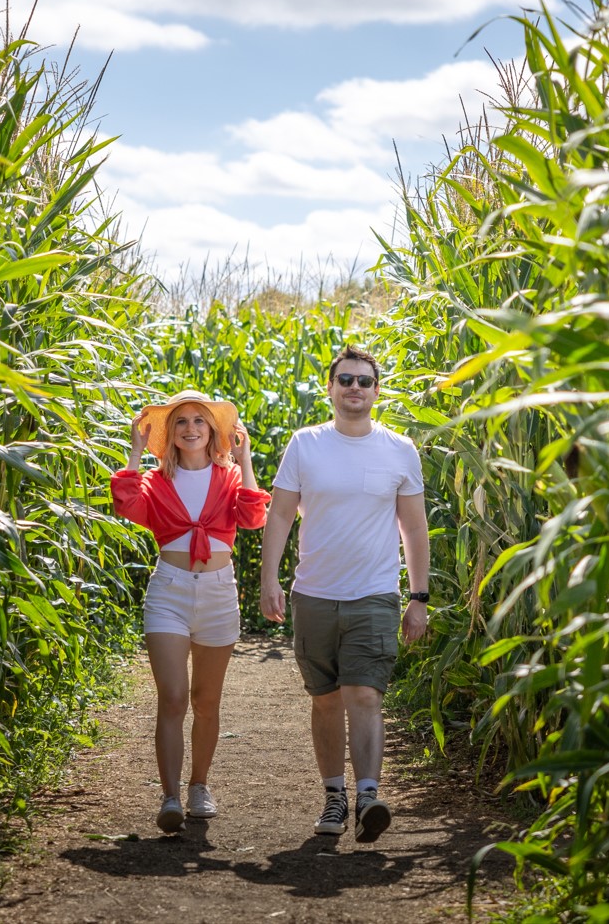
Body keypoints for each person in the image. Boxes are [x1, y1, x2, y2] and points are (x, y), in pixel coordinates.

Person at [259, 345, 430, 844]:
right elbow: (280, 515)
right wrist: (270, 578)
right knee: (327, 700)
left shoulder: (400, 449)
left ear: (378, 391)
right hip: (313, 595)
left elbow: (414, 529)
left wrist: (417, 596)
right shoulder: (305, 444)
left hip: (375, 595)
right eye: (346, 380)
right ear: (331, 389)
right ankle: (335, 796)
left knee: (364, 695)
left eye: (364, 381)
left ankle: (370, 796)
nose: (355, 388)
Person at [111, 389, 270, 834]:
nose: (191, 428)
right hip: (170, 592)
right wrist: (136, 451)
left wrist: (247, 458)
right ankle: (170, 796)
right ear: (171, 435)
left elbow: (254, 517)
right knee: (175, 698)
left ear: (213, 431)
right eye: (181, 422)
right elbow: (127, 503)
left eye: (200, 421)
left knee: (206, 700)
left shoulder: (231, 476)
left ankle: (200, 785)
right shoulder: (155, 482)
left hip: (219, 593)